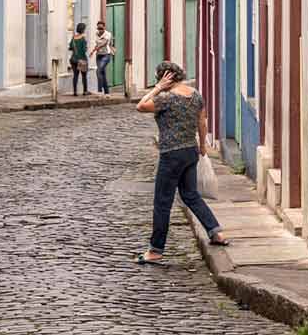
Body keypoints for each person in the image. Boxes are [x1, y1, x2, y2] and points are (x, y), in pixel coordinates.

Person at [135, 60, 228, 264]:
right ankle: (216, 232)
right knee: (191, 195)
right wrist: (202, 146)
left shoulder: (166, 98)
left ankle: (156, 249)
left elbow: (140, 106)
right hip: (190, 151)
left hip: (171, 154)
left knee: (162, 202)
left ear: (164, 78)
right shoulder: (195, 95)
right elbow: (202, 122)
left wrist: (158, 88)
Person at [91, 20, 114, 95]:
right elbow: (97, 44)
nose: (100, 30)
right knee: (102, 73)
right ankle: (107, 92)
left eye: (101, 28)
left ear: (104, 27)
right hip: (99, 55)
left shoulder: (108, 34)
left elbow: (104, 43)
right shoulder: (96, 34)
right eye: (98, 28)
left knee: (98, 71)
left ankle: (100, 90)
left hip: (106, 55)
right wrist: (93, 51)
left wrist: (96, 49)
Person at [69, 22, 89, 95]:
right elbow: (84, 50)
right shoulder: (83, 38)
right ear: (83, 29)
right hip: (82, 59)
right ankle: (85, 91)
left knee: (75, 76)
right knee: (84, 76)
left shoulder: (73, 37)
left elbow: (70, 47)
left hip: (73, 59)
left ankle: (75, 92)